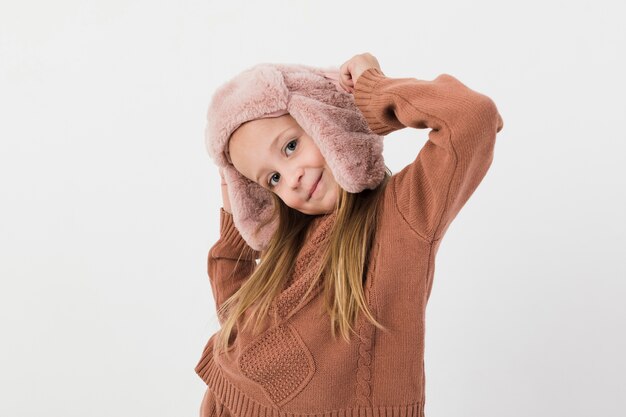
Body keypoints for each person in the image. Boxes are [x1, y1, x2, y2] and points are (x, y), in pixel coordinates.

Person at [195, 53, 504, 417]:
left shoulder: (401, 215)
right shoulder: (293, 244)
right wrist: (235, 221)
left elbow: (473, 117)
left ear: (323, 120)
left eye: (291, 147)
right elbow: (240, 325)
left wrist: (373, 91)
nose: (290, 177)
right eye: (272, 179)